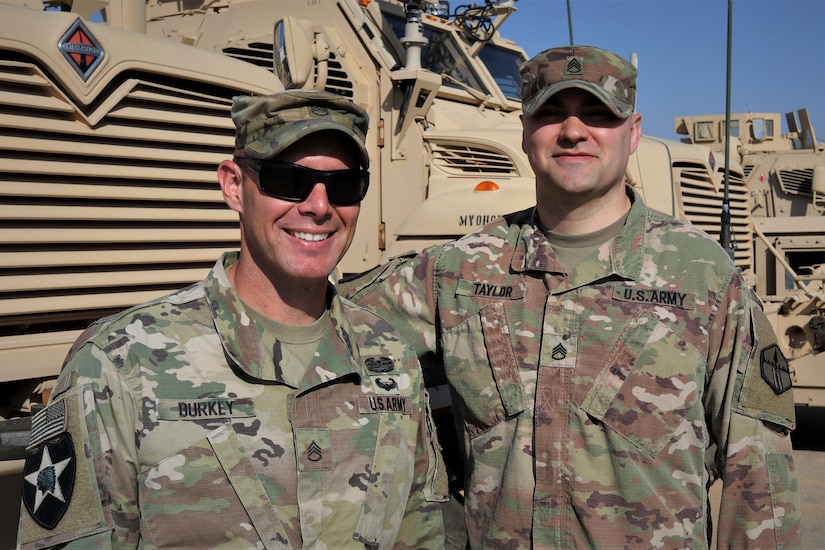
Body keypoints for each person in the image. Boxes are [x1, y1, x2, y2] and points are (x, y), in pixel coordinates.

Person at [343, 46, 801, 548]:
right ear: (524, 129)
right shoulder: (461, 270)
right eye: (552, 112)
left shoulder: (703, 278)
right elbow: (315, 320)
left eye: (599, 114)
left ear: (633, 133)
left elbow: (759, 480)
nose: (574, 131)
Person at [17, 89, 446, 549]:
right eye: (288, 179)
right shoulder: (121, 363)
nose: (320, 206)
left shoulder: (390, 357)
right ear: (234, 186)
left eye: (343, 186)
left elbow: (420, 532)